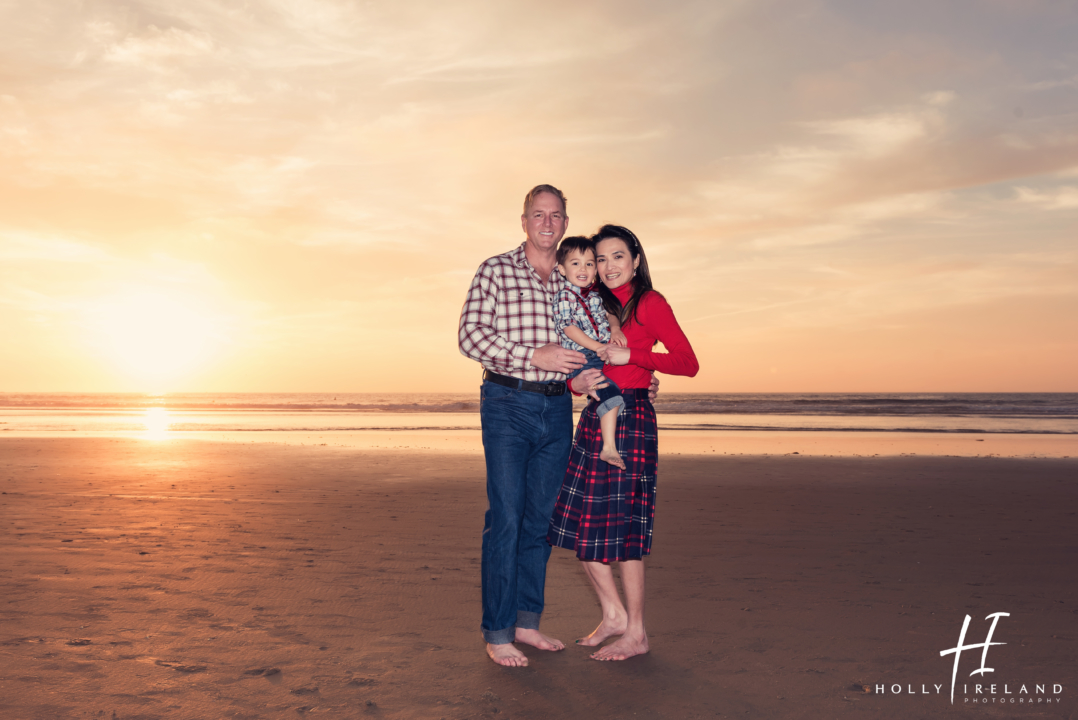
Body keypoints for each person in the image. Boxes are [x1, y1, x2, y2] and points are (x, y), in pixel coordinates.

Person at [457, 185, 607, 668]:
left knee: (540, 522)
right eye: (538, 215)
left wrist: (586, 376)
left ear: (565, 223)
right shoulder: (495, 269)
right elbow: (470, 335)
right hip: (506, 402)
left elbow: (589, 346)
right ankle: (498, 632)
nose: (547, 223)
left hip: (557, 407)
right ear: (524, 221)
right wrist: (532, 355)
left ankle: (526, 623)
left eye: (556, 216)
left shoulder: (572, 283)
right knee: (506, 516)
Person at [547, 224, 699, 661]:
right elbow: (580, 368)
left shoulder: (651, 302)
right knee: (579, 523)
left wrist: (632, 357)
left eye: (617, 256)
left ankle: (637, 631)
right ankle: (613, 615)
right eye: (600, 258)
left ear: (634, 259)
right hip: (596, 415)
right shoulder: (592, 302)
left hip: (631, 420)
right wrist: (579, 381)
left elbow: (687, 363)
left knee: (626, 528)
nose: (608, 266)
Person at [552, 236, 628, 470]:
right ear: (562, 269)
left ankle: (605, 444)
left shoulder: (594, 295)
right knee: (611, 394)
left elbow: (611, 312)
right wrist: (597, 346)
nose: (583, 269)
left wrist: (615, 328)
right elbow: (568, 327)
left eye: (589, 263)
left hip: (598, 356)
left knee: (610, 395)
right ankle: (608, 447)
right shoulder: (565, 296)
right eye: (575, 263)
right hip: (583, 357)